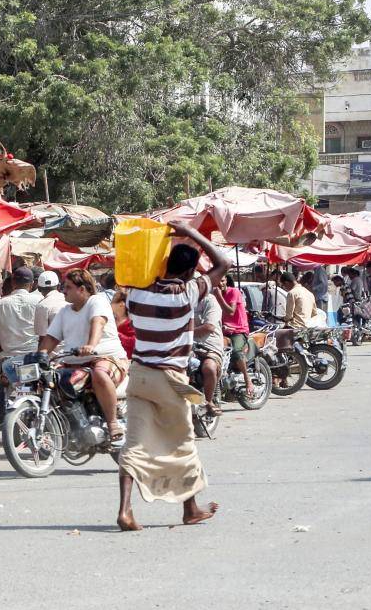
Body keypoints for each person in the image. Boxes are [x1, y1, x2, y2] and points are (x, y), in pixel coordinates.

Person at [118, 222, 229, 532]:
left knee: (133, 445)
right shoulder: (187, 294)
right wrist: (190, 233)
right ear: (192, 271)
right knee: (183, 444)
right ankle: (190, 509)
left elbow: (134, 273)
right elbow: (223, 263)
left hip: (139, 375)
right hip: (169, 379)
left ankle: (125, 510)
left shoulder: (136, 293)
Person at [39, 268, 130, 443]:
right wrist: (41, 354)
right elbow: (51, 338)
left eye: (68, 287)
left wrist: (91, 346)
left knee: (100, 374)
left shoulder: (97, 301)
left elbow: (98, 322)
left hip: (108, 358)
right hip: (74, 363)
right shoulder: (65, 311)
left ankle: (112, 424)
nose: (63, 291)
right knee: (47, 380)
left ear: (82, 289)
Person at [0, 267, 39, 443]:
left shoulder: (2, 303)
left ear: (12, 283)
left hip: (7, 359)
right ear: (32, 283)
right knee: (33, 392)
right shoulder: (38, 302)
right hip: (31, 359)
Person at [213, 275, 254, 398]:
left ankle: (248, 381)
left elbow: (231, 310)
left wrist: (219, 296)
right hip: (223, 330)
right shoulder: (212, 296)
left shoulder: (234, 292)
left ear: (226, 281)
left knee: (236, 352)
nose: (221, 283)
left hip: (238, 330)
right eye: (218, 281)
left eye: (223, 280)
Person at [193, 290, 224, 416]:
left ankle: (208, 401)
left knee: (209, 368)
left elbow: (209, 327)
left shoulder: (210, 301)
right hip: (185, 344)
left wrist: (183, 331)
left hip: (208, 345)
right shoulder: (178, 300)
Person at [33, 270, 67, 338]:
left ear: (39, 288)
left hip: (53, 348)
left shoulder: (42, 306)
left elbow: (42, 337)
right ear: (59, 286)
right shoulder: (68, 300)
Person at [111, 287, 135, 360]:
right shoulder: (111, 320)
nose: (110, 304)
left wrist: (117, 335)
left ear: (121, 304)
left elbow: (134, 342)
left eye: (113, 301)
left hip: (127, 360)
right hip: (113, 358)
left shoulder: (130, 322)